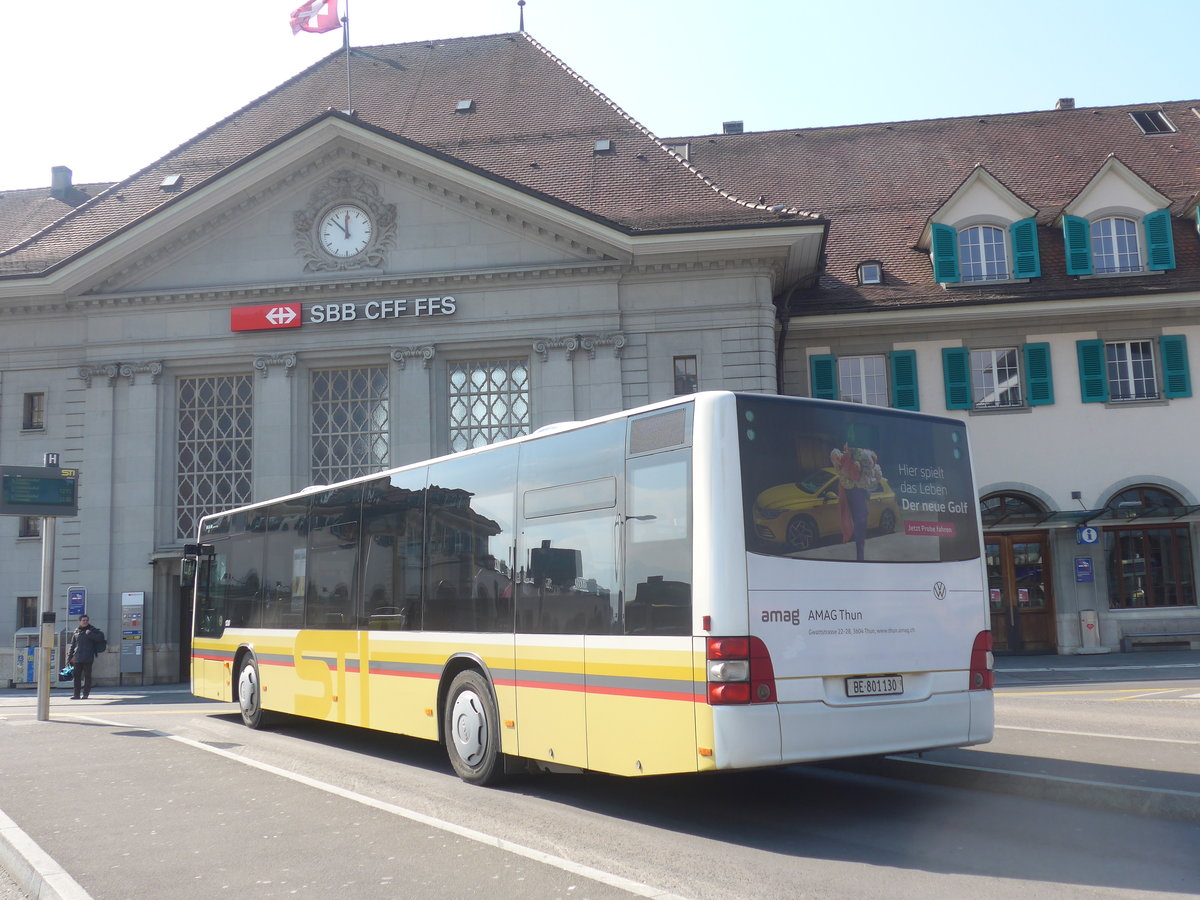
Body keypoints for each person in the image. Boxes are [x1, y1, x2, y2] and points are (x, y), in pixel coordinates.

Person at [67, 615, 102, 699]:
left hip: (88, 657)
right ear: (80, 621)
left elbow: (100, 638)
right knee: (77, 677)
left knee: (87, 676)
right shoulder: (76, 631)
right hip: (77, 657)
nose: (85, 621)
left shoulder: (92, 630)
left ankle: (86, 694)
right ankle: (76, 694)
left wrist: (90, 634)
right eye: (83, 620)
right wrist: (69, 656)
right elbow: (73, 645)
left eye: (86, 620)